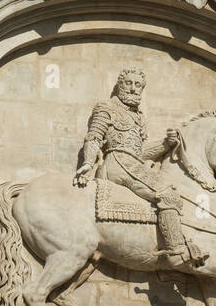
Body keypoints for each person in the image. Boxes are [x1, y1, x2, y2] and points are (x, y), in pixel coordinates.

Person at [73, 66, 199, 267]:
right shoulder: (106, 108)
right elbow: (94, 137)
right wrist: (87, 163)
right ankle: (176, 251)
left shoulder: (139, 117)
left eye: (138, 85)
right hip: (118, 163)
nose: (133, 88)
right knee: (168, 194)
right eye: (128, 83)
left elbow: (140, 152)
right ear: (120, 85)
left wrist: (167, 144)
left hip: (132, 163)